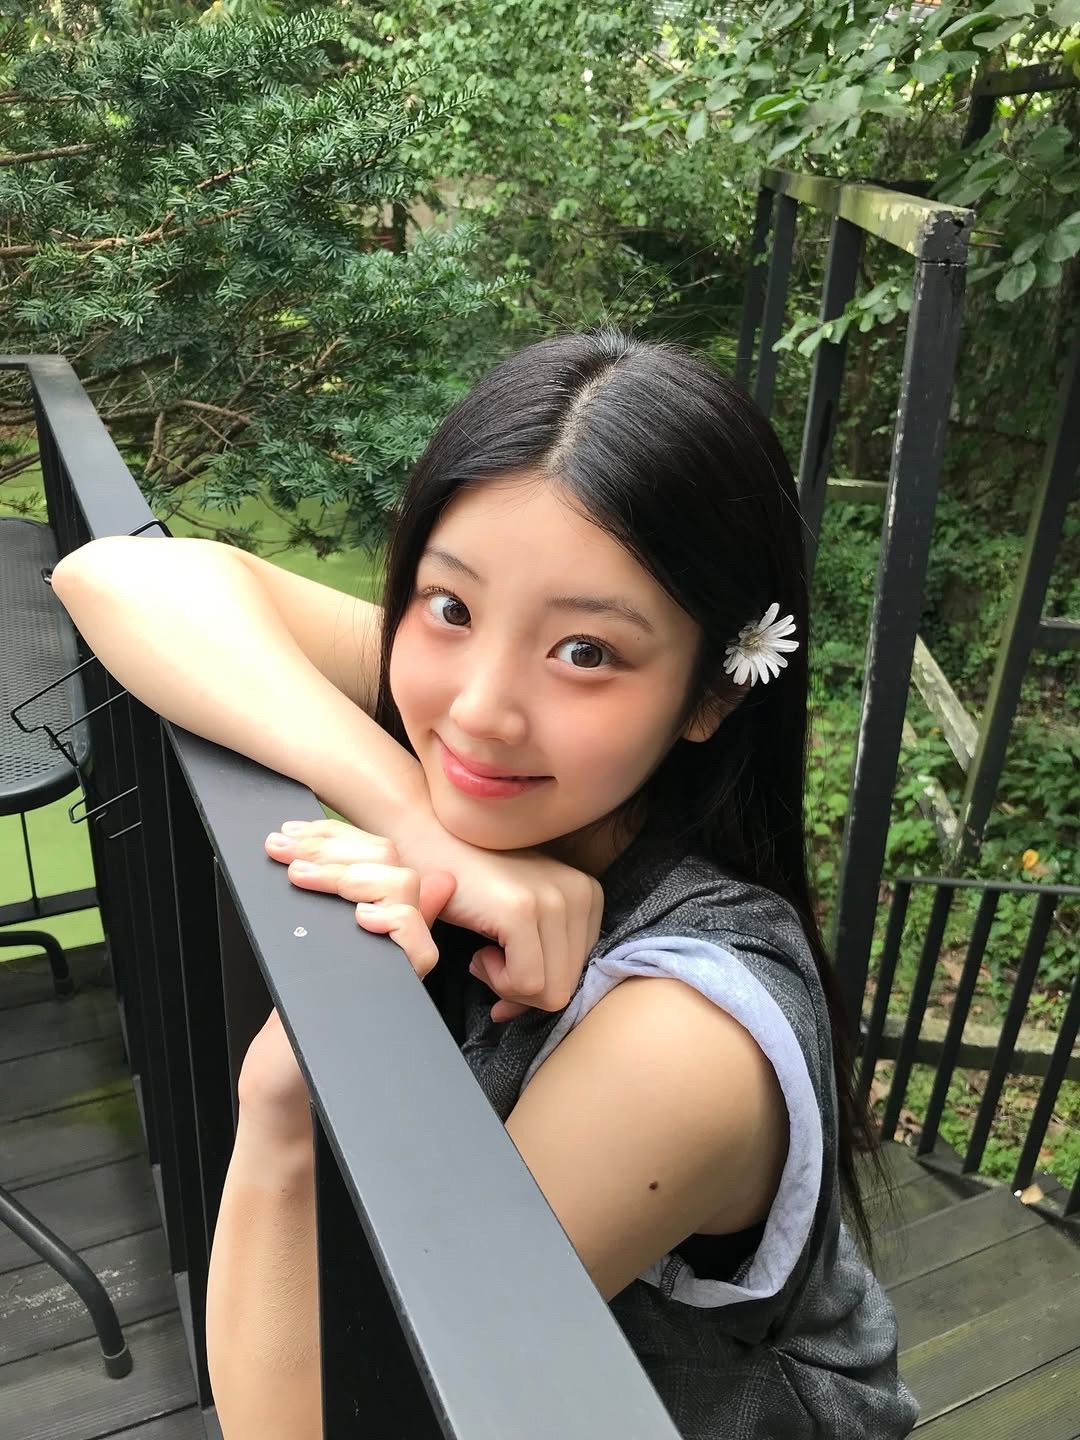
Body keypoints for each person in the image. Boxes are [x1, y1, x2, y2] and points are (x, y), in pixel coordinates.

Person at [52, 329, 918, 1440]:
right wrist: (417, 820)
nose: (478, 711)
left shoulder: (687, 1038)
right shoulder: (502, 741)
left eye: (587, 653)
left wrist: (282, 1110)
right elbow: (116, 576)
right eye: (451, 606)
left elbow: (328, 1421)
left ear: (711, 696)